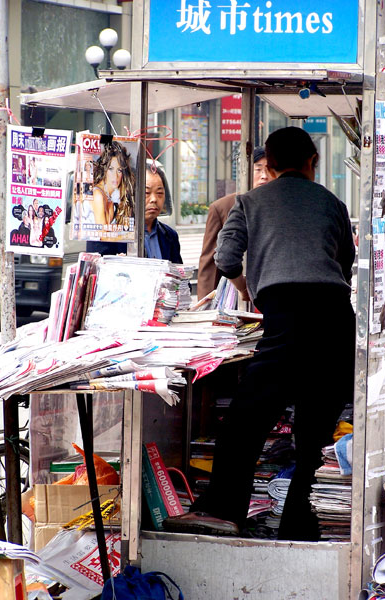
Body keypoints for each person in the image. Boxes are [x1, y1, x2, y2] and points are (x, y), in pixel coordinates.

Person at [164, 127, 355, 540]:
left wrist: (247, 287)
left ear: (266, 164)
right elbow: (346, 262)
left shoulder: (249, 203)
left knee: (246, 419)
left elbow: (227, 257)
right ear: (312, 162)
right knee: (316, 428)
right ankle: (299, 523)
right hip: (336, 318)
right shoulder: (333, 203)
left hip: (284, 315)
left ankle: (222, 509)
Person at [197, 146, 274, 300]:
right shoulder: (223, 207)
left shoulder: (280, 205)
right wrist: (205, 304)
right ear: (245, 171)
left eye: (269, 170)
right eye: (258, 169)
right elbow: (209, 264)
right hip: (234, 295)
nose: (264, 176)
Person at [86, 164, 182, 263]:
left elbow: (178, 273)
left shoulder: (170, 236)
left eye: (159, 193)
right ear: (130, 193)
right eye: (147, 193)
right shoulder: (109, 234)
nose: (154, 199)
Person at [91, 141, 135, 228]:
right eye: (111, 169)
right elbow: (102, 234)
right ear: (104, 170)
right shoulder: (98, 194)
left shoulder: (114, 195)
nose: (115, 176)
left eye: (119, 170)